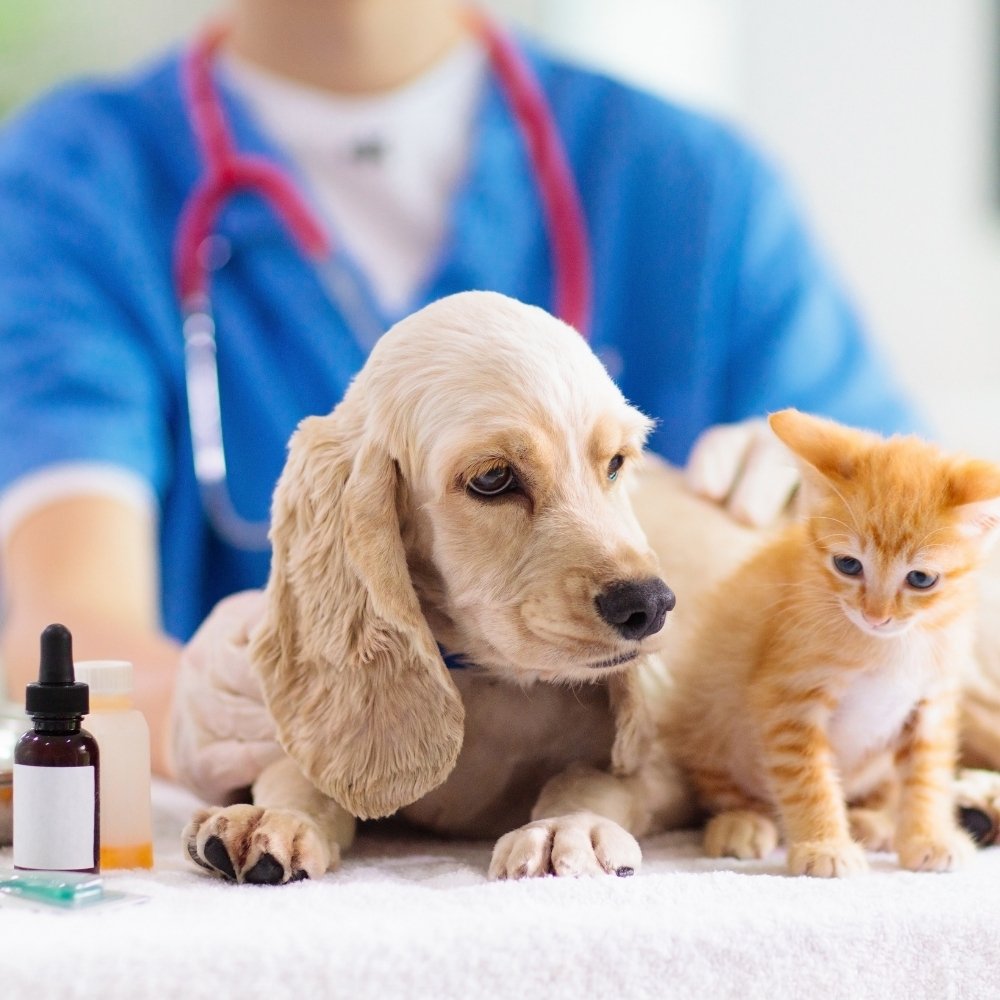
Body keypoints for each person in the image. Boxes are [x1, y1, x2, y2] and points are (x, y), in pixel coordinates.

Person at [0, 0, 920, 783]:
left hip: (616, 808)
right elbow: (67, 620)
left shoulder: (692, 187)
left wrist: (835, 533)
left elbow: (955, 564)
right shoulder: (75, 182)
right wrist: (207, 709)